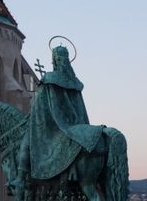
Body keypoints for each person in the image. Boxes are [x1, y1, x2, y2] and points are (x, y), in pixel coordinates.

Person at [17, 44, 103, 185]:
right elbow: (80, 108)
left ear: (55, 60)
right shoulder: (75, 83)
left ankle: (20, 178)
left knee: (27, 141)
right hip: (77, 124)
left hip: (57, 124)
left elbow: (40, 107)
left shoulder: (49, 78)